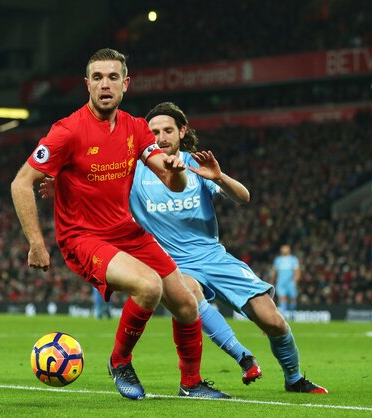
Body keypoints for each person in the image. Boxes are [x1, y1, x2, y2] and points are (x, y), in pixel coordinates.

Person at [11, 49, 229, 400]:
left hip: (126, 231)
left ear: (126, 84)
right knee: (148, 286)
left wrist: (175, 173)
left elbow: (172, 180)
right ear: (87, 85)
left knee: (186, 303)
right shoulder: (67, 131)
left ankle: (191, 384)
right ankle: (120, 362)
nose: (105, 84)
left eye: (113, 77)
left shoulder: (136, 128)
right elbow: (21, 182)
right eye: (97, 77)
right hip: (82, 236)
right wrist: (36, 242)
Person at [129, 102, 327, 394]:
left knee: (271, 319)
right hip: (172, 263)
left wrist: (219, 177)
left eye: (168, 130)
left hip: (213, 256)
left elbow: (244, 197)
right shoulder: (134, 172)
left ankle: (294, 379)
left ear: (182, 131)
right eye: (154, 131)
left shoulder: (195, 165)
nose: (160, 137)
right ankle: (243, 357)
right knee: (190, 292)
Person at [271, 245, 301, 321]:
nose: (284, 250)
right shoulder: (278, 260)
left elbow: (297, 271)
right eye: (283, 249)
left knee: (292, 299)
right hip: (280, 283)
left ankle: (292, 315)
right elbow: (274, 272)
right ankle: (283, 317)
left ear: (289, 250)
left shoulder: (293, 259)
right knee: (282, 298)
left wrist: (295, 281)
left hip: (290, 283)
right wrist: (272, 281)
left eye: (285, 249)